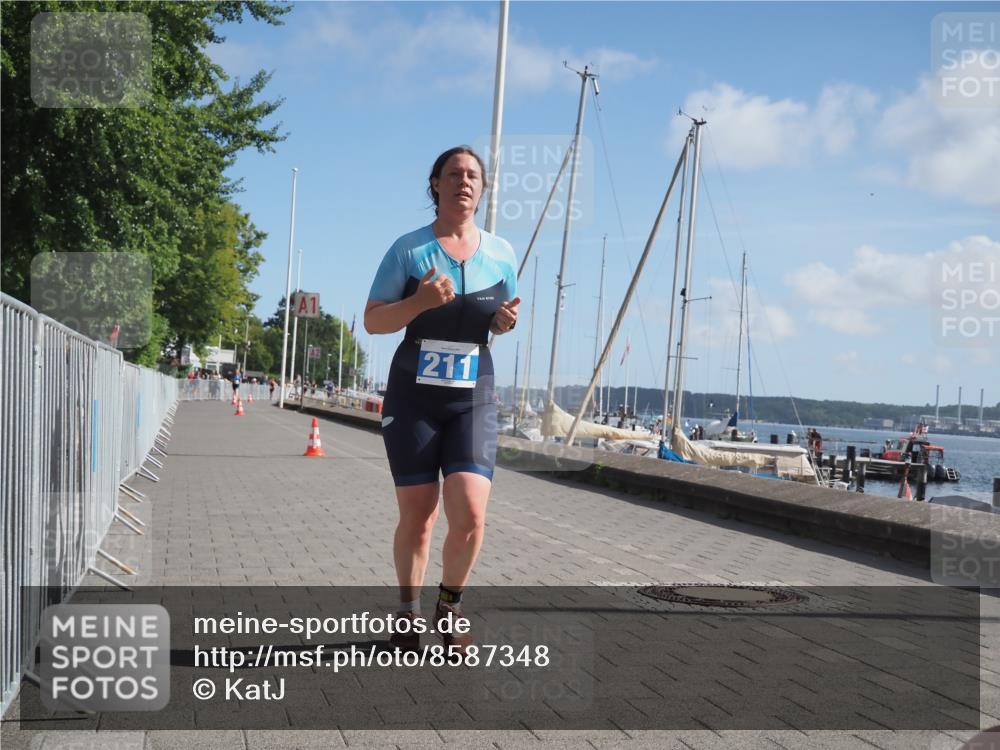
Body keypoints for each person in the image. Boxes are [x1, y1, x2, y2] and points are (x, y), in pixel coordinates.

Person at [364, 146, 519, 654]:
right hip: (414, 397)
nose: (464, 182)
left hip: (473, 394)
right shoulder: (408, 250)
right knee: (420, 514)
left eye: (473, 175)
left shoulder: (502, 253)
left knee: (471, 512)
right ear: (434, 184)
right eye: (453, 174)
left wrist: (502, 322)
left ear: (483, 188)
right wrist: (419, 303)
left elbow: (500, 315)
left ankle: (449, 606)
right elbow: (374, 321)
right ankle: (407, 613)